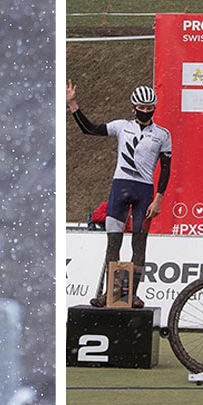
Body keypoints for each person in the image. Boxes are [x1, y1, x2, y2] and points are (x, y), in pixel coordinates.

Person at [67, 80, 171, 308]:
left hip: (144, 192)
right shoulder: (121, 126)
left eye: (149, 108)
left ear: (154, 108)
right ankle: (109, 294)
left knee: (139, 244)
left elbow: (165, 169)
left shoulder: (162, 135)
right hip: (120, 188)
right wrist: (73, 104)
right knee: (113, 244)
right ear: (133, 107)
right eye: (141, 108)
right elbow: (89, 129)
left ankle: (132, 294)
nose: (145, 111)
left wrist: (159, 198)